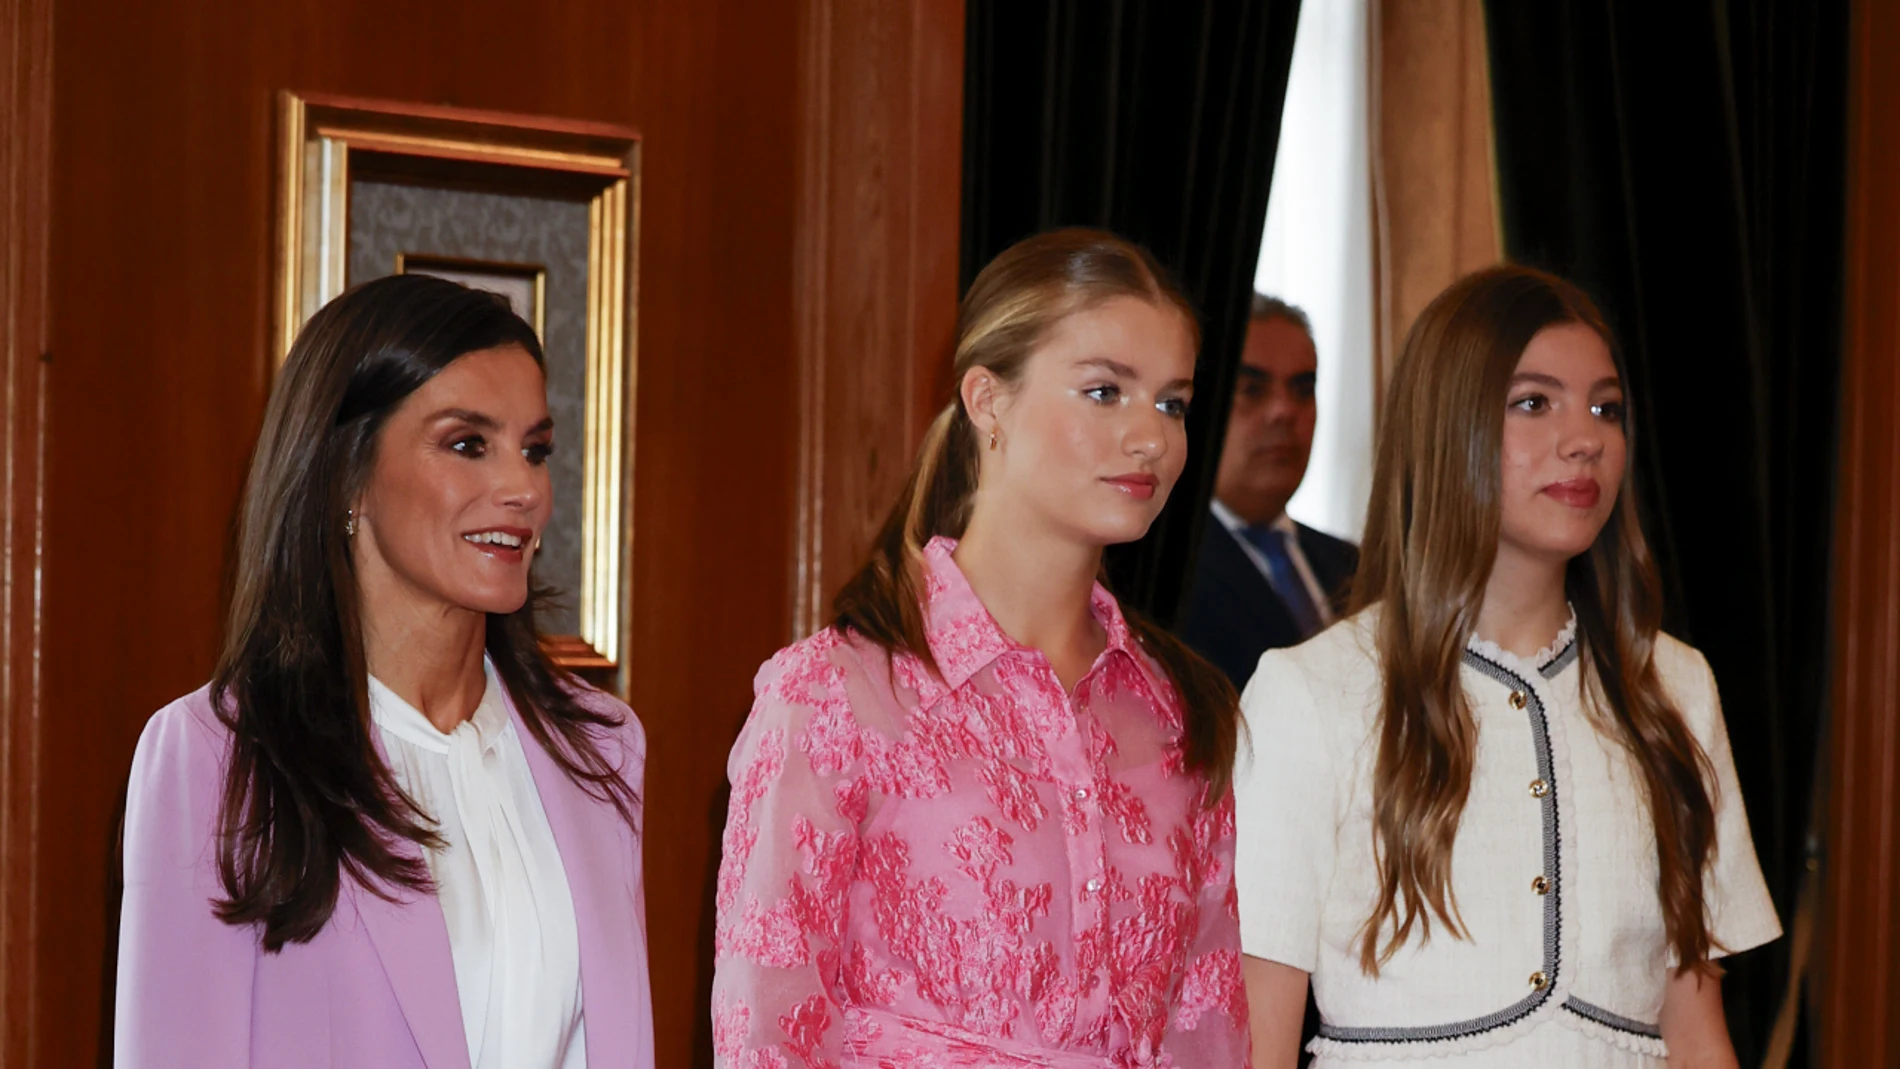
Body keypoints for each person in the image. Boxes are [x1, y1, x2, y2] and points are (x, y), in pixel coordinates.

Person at [710, 229, 1249, 1067]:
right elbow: (765, 1030)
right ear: (986, 399)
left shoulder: (1183, 712)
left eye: (1172, 402)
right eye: (1106, 391)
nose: (1151, 437)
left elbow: (1209, 1027)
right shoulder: (835, 690)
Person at [1234, 265, 1779, 1067]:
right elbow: (1256, 1030)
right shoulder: (1310, 690)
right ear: (1444, 426)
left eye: (1606, 406)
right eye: (1534, 401)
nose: (1585, 436)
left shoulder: (1677, 686)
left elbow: (1697, 1028)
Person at [115, 276, 654, 1069]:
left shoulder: (602, 748)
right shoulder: (213, 759)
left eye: (535, 449)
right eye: (468, 443)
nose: (525, 490)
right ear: (347, 474)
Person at [1179, 294, 1357, 688]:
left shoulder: (1354, 566)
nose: (1283, 411)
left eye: (1302, 389)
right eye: (1252, 389)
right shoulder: (1169, 574)